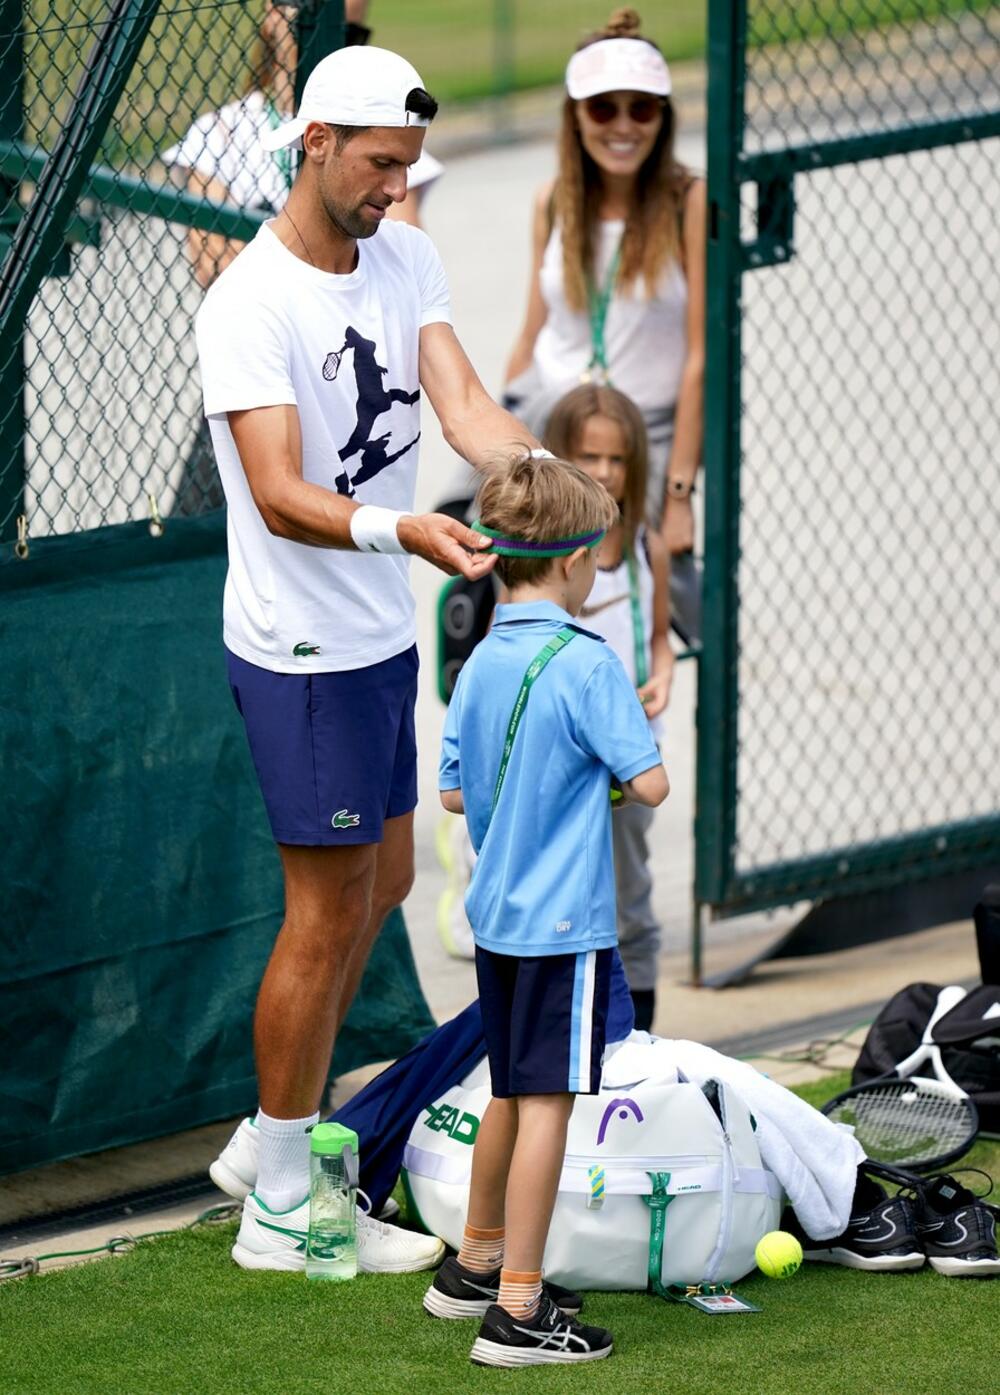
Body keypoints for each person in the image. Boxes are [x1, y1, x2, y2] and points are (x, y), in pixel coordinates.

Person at [196, 43, 545, 1275]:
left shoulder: (404, 251)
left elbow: (458, 401)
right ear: (315, 145)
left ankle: (271, 1141)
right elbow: (282, 493)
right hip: (298, 648)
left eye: (408, 166)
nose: (397, 187)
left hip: (376, 634)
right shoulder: (246, 302)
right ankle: (280, 1206)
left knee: (385, 884)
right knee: (322, 908)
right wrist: (405, 528)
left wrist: (532, 472)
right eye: (380, 164)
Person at [428, 452, 669, 1367]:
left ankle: (476, 1264)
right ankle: (520, 1312)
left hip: (496, 920)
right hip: (565, 927)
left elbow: (455, 795)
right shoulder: (589, 662)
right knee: (549, 1107)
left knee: (509, 1091)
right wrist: (619, 750)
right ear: (572, 563)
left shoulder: (482, 657)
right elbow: (648, 783)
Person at [164, 3, 443, 511]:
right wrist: (312, 248)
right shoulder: (224, 131)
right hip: (265, 377)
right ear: (273, 18)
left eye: (353, 31)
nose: (339, 43)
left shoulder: (389, 130)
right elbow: (212, 261)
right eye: (317, 27)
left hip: (347, 379)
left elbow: (401, 240)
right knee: (206, 531)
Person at [503, 7, 705, 640]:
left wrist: (678, 494)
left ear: (663, 118)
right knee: (483, 551)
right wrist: (504, 438)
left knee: (656, 600)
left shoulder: (686, 201)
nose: (623, 126)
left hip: (643, 433)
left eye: (641, 109)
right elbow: (533, 332)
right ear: (575, 117)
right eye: (603, 109)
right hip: (552, 415)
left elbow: (702, 354)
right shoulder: (552, 201)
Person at [543, 384, 672, 1030]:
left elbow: (658, 638)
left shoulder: (646, 545)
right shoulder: (547, 554)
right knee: (567, 895)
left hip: (630, 757)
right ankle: (569, 1024)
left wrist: (664, 677)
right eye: (589, 457)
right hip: (566, 759)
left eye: (617, 460)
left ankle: (638, 1029)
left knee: (630, 893)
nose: (603, 472)